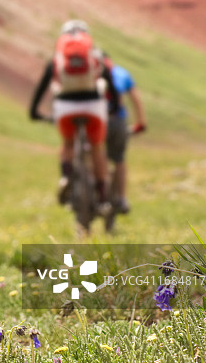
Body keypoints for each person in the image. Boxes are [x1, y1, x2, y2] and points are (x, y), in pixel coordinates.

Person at [29, 20, 119, 216]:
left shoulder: (57, 58)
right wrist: (115, 108)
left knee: (68, 143)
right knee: (97, 148)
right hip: (93, 106)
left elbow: (42, 86)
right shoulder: (95, 55)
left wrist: (34, 112)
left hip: (65, 106)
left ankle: (66, 175)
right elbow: (110, 83)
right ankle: (103, 198)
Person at [104, 55, 146, 214]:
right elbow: (136, 100)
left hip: (96, 121)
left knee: (96, 152)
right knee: (119, 158)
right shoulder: (121, 73)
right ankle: (121, 198)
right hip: (118, 121)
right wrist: (140, 124)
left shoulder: (91, 74)